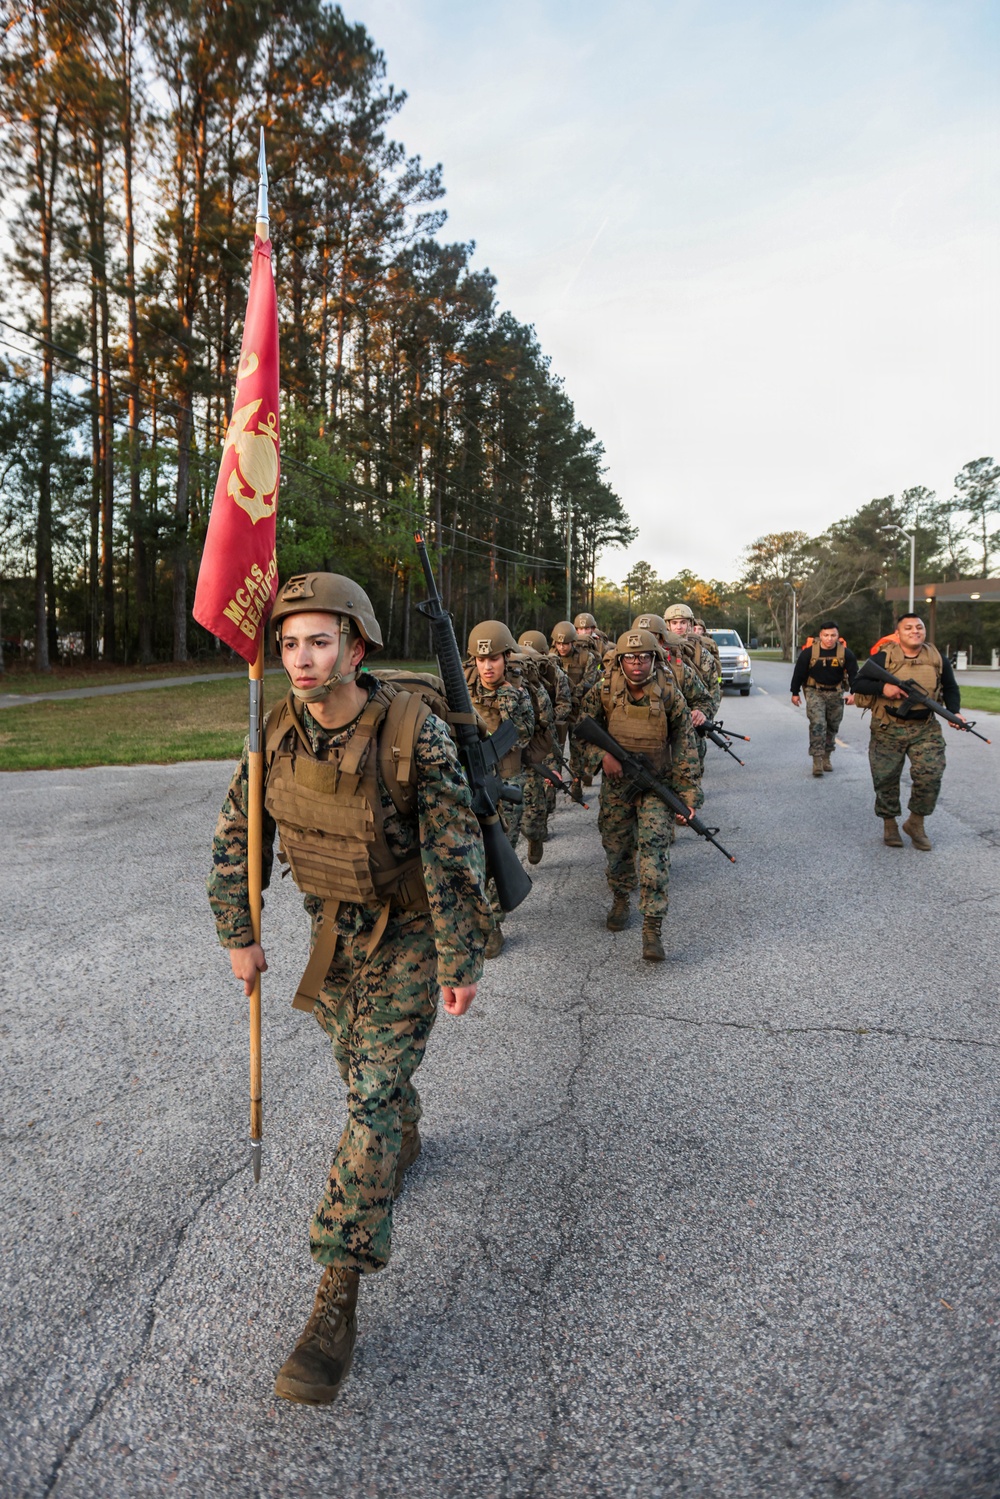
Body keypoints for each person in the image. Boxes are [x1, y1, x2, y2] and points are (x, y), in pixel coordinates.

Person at [207, 572, 492, 1406]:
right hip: (330, 935)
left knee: (368, 1096)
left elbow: (454, 852)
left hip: (409, 934)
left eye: (319, 641)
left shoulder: (410, 732)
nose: (301, 658)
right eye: (290, 643)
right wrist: (239, 929)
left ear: (355, 647)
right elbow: (238, 832)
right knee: (364, 1076)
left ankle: (336, 1292)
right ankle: (404, 1126)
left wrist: (460, 957)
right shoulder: (275, 730)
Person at [577, 628, 701, 961]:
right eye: (630, 658)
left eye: (643, 657)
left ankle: (652, 928)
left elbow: (686, 747)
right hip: (618, 785)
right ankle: (621, 898)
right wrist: (602, 756)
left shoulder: (669, 693)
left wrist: (688, 798)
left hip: (656, 784)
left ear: (654, 659)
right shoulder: (604, 690)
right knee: (616, 847)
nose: (636, 663)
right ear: (620, 660)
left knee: (654, 855)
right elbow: (581, 732)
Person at [853, 613, 965, 850]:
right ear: (898, 633)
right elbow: (857, 682)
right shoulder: (884, 657)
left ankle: (916, 823)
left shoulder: (936, 658)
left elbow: (951, 687)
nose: (915, 631)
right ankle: (889, 824)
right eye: (909, 628)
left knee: (931, 774)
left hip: (925, 728)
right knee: (885, 779)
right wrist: (884, 688)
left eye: (919, 627)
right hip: (887, 727)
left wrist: (955, 712)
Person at [465, 619, 535, 955]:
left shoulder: (518, 693)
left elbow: (524, 736)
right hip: (473, 782)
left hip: (507, 781)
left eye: (493, 659)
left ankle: (493, 923)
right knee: (473, 853)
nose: (487, 666)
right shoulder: (464, 692)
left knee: (499, 849)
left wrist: (507, 701)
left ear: (506, 658)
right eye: (481, 660)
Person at [790, 621, 859, 776]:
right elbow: (799, 672)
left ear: (838, 636)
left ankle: (827, 756)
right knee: (818, 724)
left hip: (836, 693)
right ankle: (817, 759)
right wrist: (795, 692)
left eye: (833, 635)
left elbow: (854, 674)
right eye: (826, 635)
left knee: (832, 726)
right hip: (815, 692)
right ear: (820, 636)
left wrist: (854, 693)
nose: (829, 638)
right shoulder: (809, 653)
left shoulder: (845, 653)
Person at [549, 620, 599, 785]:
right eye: (559, 643)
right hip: (558, 710)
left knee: (577, 750)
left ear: (573, 642)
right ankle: (552, 788)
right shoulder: (550, 658)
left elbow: (589, 681)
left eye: (565, 644)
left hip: (578, 710)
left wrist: (570, 694)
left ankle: (577, 785)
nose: (562, 647)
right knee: (554, 751)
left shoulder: (586, 657)